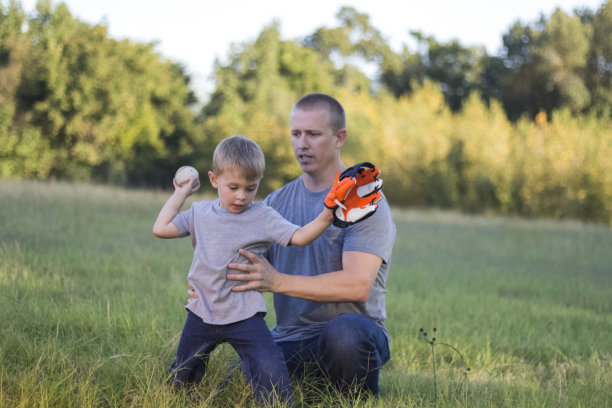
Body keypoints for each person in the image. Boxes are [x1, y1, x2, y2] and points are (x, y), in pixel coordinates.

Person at [191, 93, 396, 397]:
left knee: (345, 334)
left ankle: (356, 401)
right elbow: (241, 265)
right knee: (232, 390)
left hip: (353, 336)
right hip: (290, 339)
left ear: (340, 137)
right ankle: (315, 390)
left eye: (313, 134)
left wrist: (277, 282)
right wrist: (208, 284)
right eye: (296, 134)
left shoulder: (363, 201)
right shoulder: (274, 204)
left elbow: (357, 285)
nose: (302, 143)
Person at [153, 135, 344, 406]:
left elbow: (300, 237)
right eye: (233, 187)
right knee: (184, 371)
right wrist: (181, 194)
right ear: (214, 179)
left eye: (250, 188)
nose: (242, 196)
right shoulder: (199, 213)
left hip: (244, 313)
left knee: (269, 365)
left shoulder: (262, 216)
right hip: (202, 311)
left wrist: (326, 215)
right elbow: (160, 229)